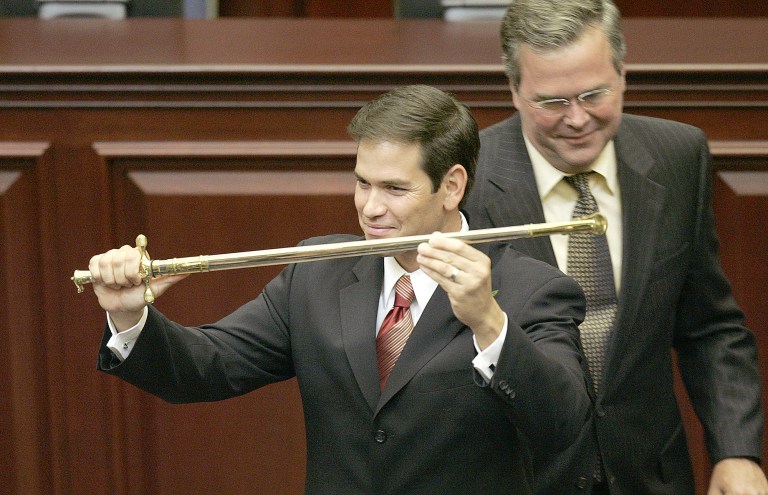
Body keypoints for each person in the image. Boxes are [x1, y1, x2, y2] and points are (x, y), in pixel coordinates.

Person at [88, 84, 591, 495]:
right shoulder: (318, 271)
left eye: (394, 189)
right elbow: (208, 368)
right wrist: (130, 318)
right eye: (363, 183)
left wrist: (489, 324)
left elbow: (562, 425)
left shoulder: (532, 289)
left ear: (452, 186)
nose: (370, 208)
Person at [464, 1, 767, 494]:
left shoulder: (678, 156)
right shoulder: (467, 179)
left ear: (623, 75)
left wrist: (736, 452)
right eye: (552, 102)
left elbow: (709, 327)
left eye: (593, 94)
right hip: (521, 478)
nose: (577, 118)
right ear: (515, 91)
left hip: (651, 475)